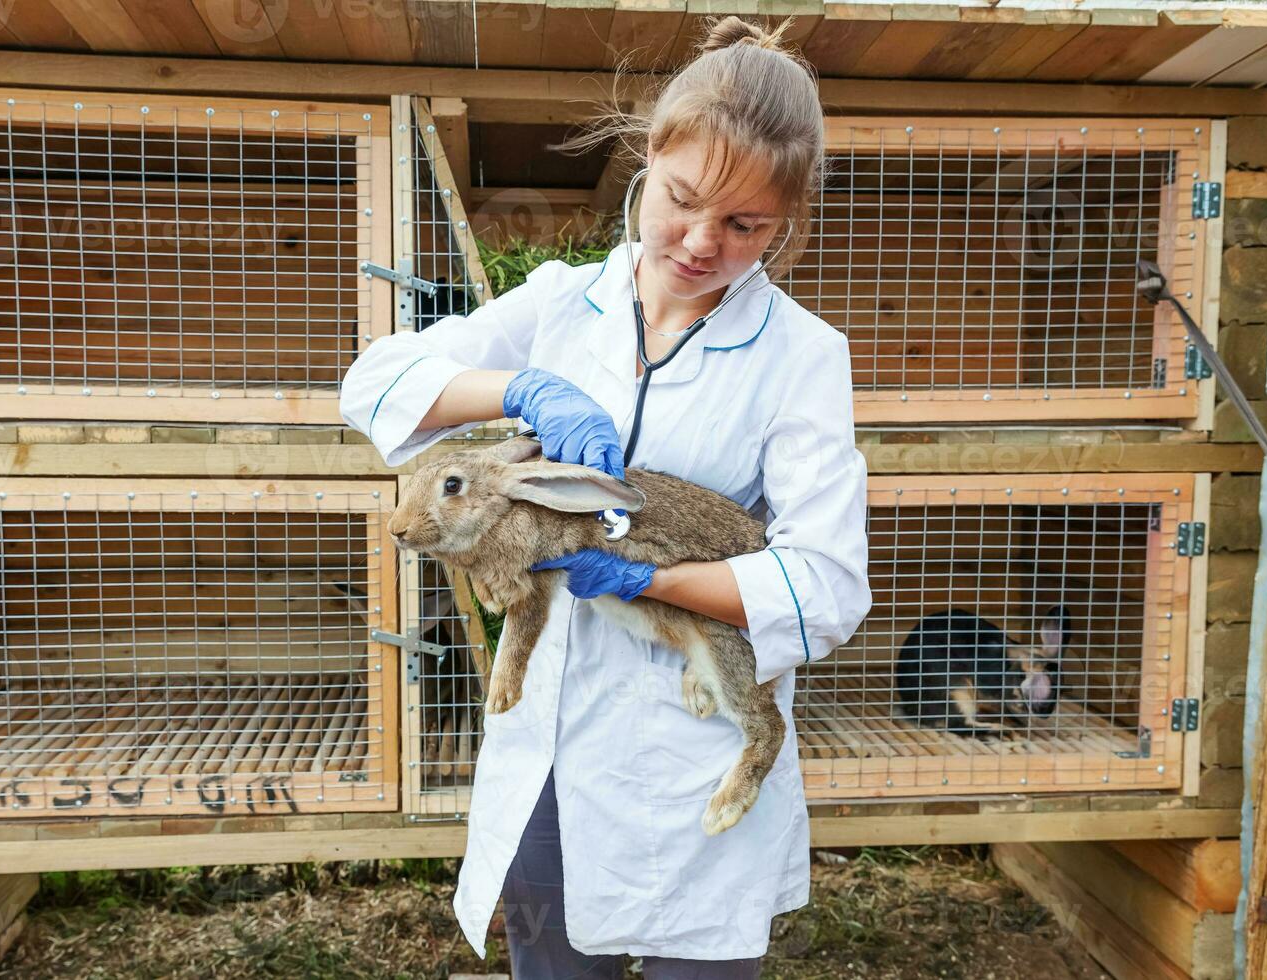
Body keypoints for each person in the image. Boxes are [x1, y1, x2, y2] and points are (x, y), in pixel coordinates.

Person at [340, 16, 871, 978]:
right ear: (648, 161)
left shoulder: (802, 358)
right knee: (552, 956)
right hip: (548, 740)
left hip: (691, 743)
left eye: (746, 225)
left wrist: (645, 580)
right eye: (682, 200)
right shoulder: (557, 303)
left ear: (785, 222)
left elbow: (825, 582)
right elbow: (376, 382)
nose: (703, 242)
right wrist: (522, 389)